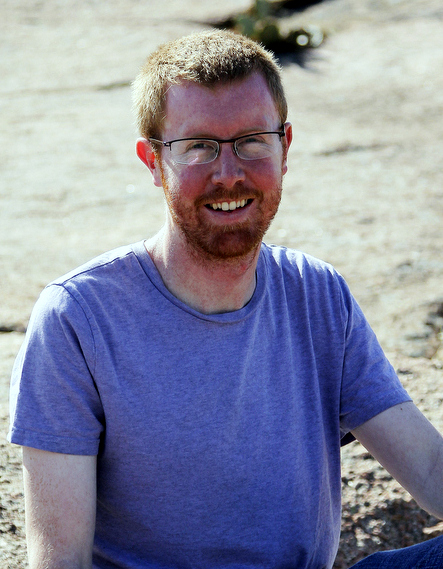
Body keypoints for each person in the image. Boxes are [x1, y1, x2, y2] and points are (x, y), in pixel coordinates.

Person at [8, 29, 443, 569]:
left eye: (252, 141)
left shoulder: (318, 294)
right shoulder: (78, 319)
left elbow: (430, 470)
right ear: (152, 161)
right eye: (199, 147)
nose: (229, 173)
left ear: (285, 148)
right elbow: (61, 560)